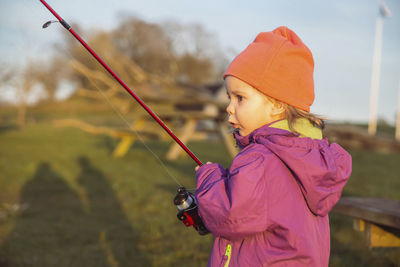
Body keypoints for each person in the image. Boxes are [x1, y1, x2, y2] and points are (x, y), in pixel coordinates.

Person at [194, 26, 352, 267]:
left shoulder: (260, 159)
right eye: (229, 97)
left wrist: (209, 178)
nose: (229, 107)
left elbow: (229, 215)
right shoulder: (306, 155)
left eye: (240, 98)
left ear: (277, 105)